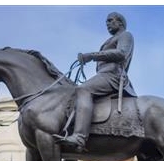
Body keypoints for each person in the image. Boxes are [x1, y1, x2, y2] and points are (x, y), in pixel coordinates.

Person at [54, 12, 137, 152]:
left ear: (120, 22)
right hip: (104, 75)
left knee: (83, 89)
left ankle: (79, 137)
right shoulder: (110, 39)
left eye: (110, 20)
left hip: (113, 75)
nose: (107, 24)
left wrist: (92, 56)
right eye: (106, 22)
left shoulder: (126, 35)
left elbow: (121, 53)